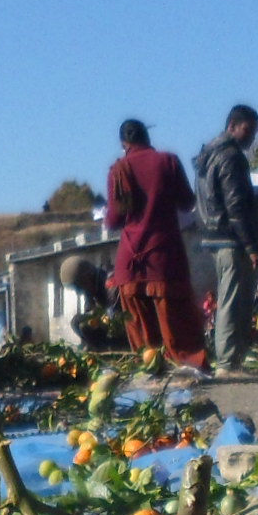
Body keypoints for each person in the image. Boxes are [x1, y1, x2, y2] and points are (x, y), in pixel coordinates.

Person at [104, 119, 206, 367]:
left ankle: (150, 370)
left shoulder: (118, 170)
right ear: (147, 138)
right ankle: (187, 366)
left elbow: (114, 220)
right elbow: (186, 202)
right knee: (177, 327)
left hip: (130, 262)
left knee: (143, 338)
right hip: (164, 257)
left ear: (123, 144)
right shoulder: (167, 161)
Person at [194, 104, 258, 370]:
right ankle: (227, 361)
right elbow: (236, 206)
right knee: (233, 301)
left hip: (212, 234)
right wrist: (252, 245)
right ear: (233, 126)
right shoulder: (231, 157)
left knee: (230, 297)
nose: (251, 138)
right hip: (230, 237)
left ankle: (230, 358)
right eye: (248, 130)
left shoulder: (207, 155)